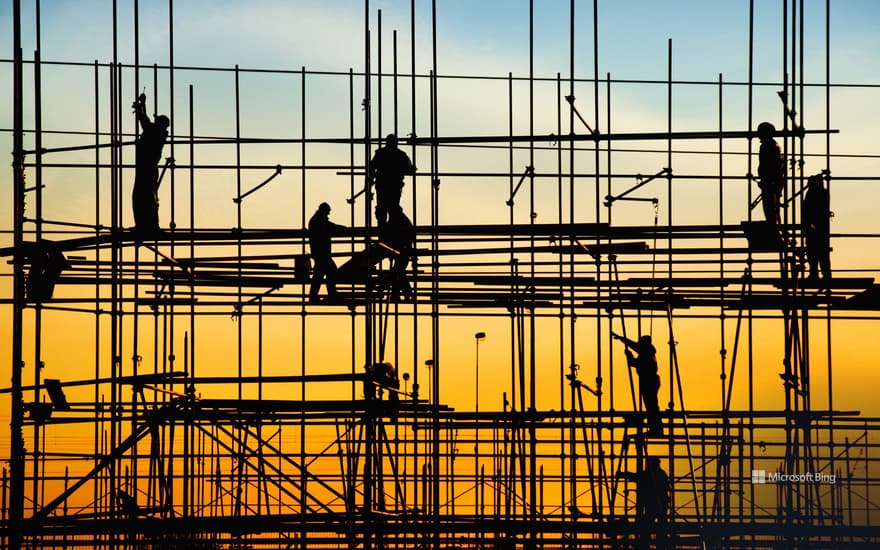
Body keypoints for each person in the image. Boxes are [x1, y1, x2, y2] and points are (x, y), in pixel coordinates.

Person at [131, 93, 169, 239]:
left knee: (146, 197)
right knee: (141, 197)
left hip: (147, 169)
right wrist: (142, 106)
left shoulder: (157, 133)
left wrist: (141, 108)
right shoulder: (156, 131)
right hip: (144, 169)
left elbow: (145, 123)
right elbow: (146, 121)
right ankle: (143, 225)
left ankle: (151, 226)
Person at [612, 332, 662, 436]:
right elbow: (633, 346)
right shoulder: (647, 352)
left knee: (651, 405)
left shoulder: (646, 353)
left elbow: (633, 362)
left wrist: (628, 354)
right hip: (650, 380)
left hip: (649, 381)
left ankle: (656, 429)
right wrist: (622, 339)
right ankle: (655, 428)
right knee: (651, 405)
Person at [618, 456, 670, 549]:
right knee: (661, 525)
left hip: (652, 503)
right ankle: (660, 543)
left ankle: (646, 543)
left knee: (648, 524)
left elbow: (637, 476)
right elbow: (666, 487)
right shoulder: (661, 474)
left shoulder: (649, 474)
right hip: (661, 503)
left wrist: (623, 474)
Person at [369, 134, 414, 227]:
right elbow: (409, 170)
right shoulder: (400, 154)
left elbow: (372, 167)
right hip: (394, 185)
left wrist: (370, 180)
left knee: (382, 208)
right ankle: (392, 228)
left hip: (383, 185)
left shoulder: (380, 153)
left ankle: (383, 229)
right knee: (393, 207)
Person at [308, 202, 345, 303]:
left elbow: (331, 226)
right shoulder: (318, 221)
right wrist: (344, 229)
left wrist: (343, 228)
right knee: (330, 270)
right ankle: (331, 293)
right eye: (327, 212)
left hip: (319, 253)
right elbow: (330, 227)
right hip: (321, 253)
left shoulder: (317, 220)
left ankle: (315, 295)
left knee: (319, 274)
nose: (328, 214)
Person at [380, 206, 416, 301]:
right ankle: (398, 294)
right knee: (398, 273)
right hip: (403, 251)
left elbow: (387, 232)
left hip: (403, 251)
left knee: (397, 272)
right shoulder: (401, 219)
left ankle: (400, 293)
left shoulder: (398, 220)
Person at [802, 173, 832, 281]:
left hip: (817, 227)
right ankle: (821, 274)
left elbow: (808, 210)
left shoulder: (815, 193)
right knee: (817, 252)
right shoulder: (821, 193)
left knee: (817, 252)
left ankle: (819, 274)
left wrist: (808, 222)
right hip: (818, 227)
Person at [757, 121, 784, 226]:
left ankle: (772, 224)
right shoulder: (771, 145)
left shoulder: (770, 146)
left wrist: (769, 180)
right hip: (770, 180)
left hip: (771, 181)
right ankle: (773, 223)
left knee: (770, 205)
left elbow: (773, 166)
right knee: (771, 205)